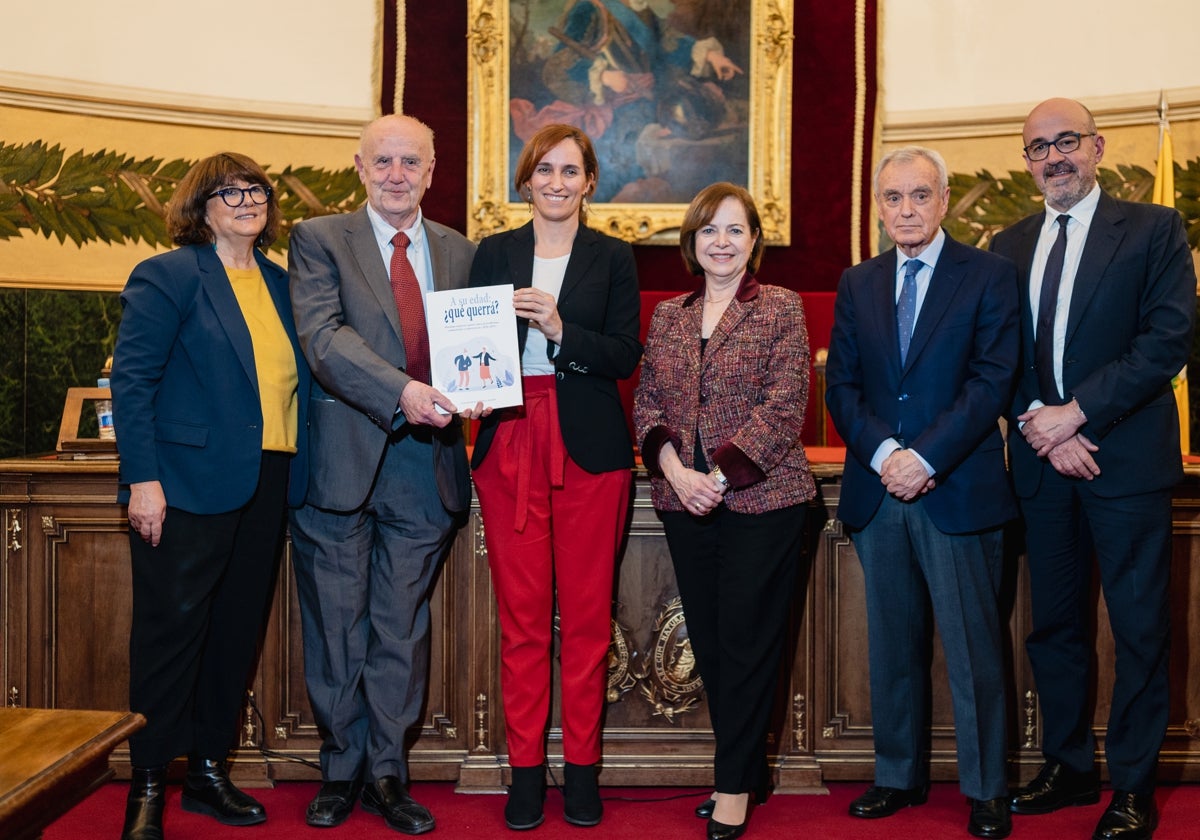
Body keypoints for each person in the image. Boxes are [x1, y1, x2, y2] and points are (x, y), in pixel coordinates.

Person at [991, 98, 1196, 840]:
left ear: (1098, 146)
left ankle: (1134, 785)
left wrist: (1076, 414)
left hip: (1125, 461)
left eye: (1067, 141)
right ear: (1028, 160)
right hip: (1045, 469)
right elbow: (998, 356)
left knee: (1140, 629)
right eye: (1039, 147)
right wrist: (1043, 430)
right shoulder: (1007, 244)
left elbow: (1166, 339)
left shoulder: (1151, 230)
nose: (1055, 157)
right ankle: (1070, 765)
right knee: (1056, 629)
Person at [287, 114, 477, 835]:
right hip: (342, 460)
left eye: (411, 162)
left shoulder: (463, 253)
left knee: (400, 630)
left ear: (432, 171)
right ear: (359, 168)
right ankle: (341, 769)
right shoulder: (318, 239)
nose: (397, 174)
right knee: (337, 628)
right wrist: (402, 391)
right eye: (384, 161)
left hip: (424, 469)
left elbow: (475, 346)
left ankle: (389, 773)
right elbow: (323, 339)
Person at [111, 152, 310, 840]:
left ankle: (207, 773)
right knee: (170, 639)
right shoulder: (168, 275)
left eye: (256, 189)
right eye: (230, 191)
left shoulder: (285, 284)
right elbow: (132, 382)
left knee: (234, 637)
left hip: (270, 482)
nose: (247, 200)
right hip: (185, 487)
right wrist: (143, 481)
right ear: (200, 204)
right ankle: (145, 786)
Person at [824, 146, 1019, 839]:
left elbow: (992, 381)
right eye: (892, 198)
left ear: (942, 201)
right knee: (893, 645)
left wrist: (926, 456)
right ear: (878, 206)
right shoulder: (859, 282)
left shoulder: (989, 276)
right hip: (880, 492)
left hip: (955, 488)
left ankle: (988, 787)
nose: (905, 209)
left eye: (918, 195)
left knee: (973, 650)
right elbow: (841, 387)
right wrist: (885, 455)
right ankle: (897, 775)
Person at [467, 122, 642, 831]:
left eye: (571, 172)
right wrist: (471, 377)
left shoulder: (614, 257)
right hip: (509, 436)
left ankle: (584, 772)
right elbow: (469, 349)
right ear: (527, 181)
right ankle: (527, 773)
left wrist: (563, 330)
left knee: (590, 621)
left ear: (590, 182)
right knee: (523, 623)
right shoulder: (494, 252)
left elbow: (625, 352)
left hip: (589, 447)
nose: (558, 183)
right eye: (545, 171)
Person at [634, 181, 815, 840]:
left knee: (746, 643)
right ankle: (744, 768)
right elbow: (648, 402)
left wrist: (718, 476)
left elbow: (785, 403)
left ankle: (733, 782)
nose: (721, 242)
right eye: (709, 230)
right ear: (692, 241)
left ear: (753, 241)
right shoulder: (669, 316)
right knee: (711, 647)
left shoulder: (780, 308)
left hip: (764, 500)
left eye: (734, 230)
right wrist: (677, 472)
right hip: (686, 502)